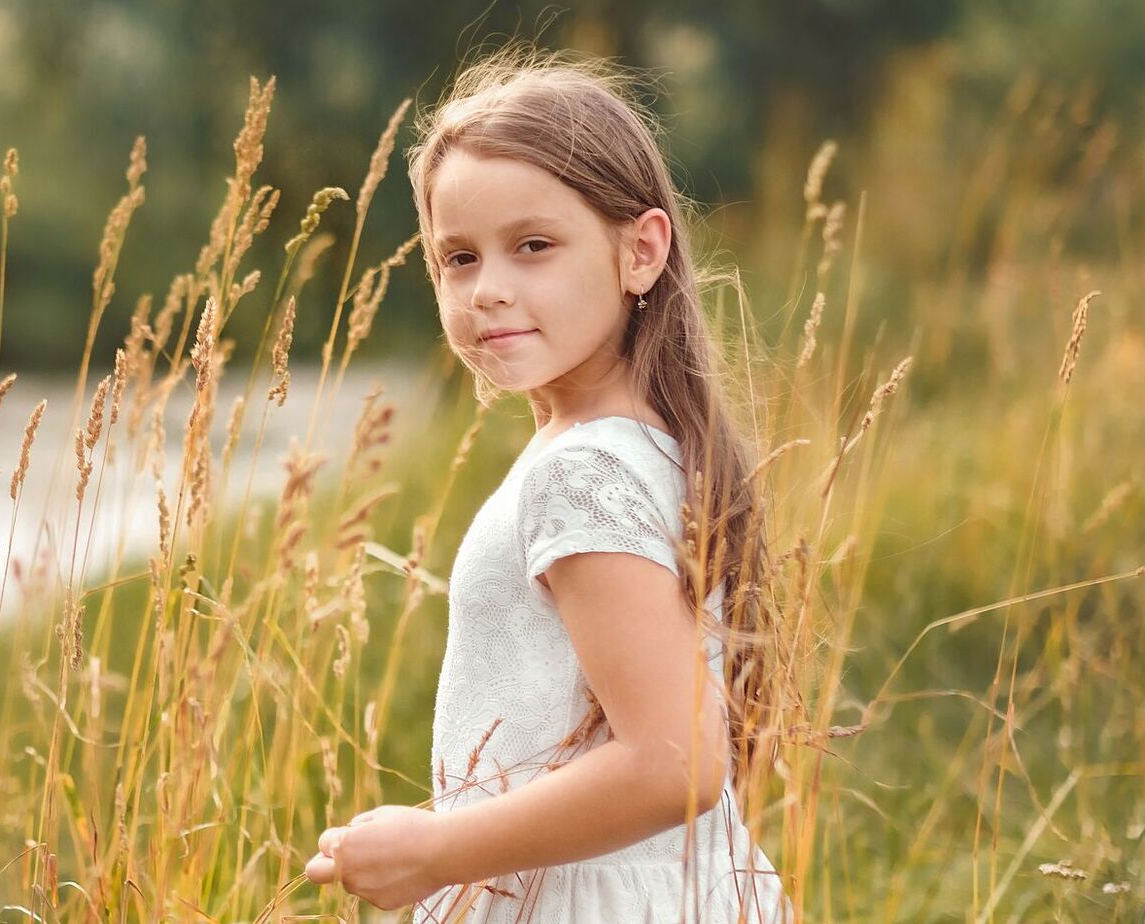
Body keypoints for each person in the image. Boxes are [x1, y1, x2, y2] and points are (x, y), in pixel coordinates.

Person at [303, 43, 797, 923]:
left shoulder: (583, 473)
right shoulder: (641, 444)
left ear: (640, 251)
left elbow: (675, 764)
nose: (489, 288)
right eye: (458, 258)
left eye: (533, 246)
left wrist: (435, 851)